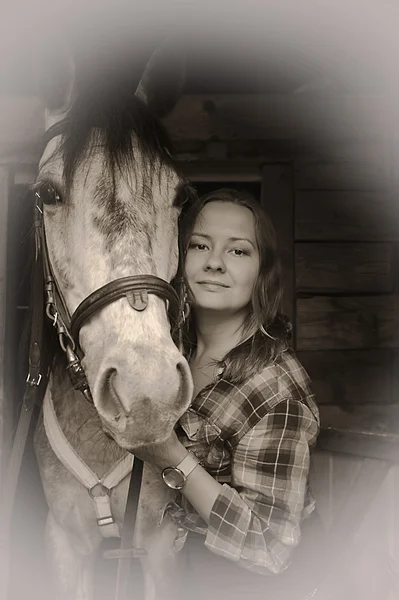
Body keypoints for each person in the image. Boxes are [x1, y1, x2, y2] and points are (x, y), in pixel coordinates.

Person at [134, 188, 326, 599]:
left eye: (238, 252)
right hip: (183, 576)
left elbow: (269, 547)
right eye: (199, 245)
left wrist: (170, 456)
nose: (215, 262)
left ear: (264, 273)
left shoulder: (276, 388)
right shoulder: (171, 354)